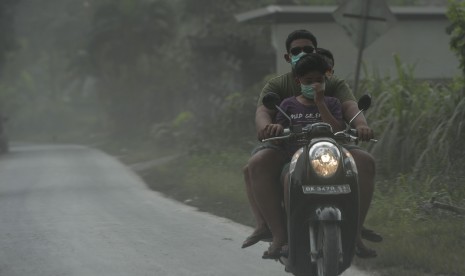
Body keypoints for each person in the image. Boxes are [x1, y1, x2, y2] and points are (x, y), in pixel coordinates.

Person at [241, 29, 379, 259]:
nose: (302, 53)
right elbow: (264, 112)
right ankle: (279, 235)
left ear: (317, 54)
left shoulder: (333, 86)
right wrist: (268, 127)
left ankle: (355, 234)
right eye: (296, 51)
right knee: (257, 163)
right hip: (290, 147)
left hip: (333, 145)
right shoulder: (278, 87)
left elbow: (351, 108)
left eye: (308, 49)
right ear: (288, 57)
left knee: (365, 162)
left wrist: (362, 126)